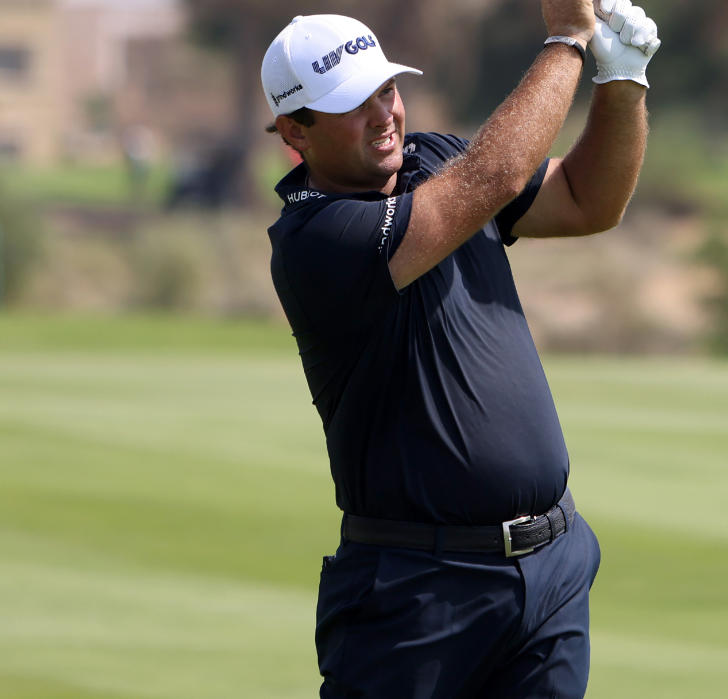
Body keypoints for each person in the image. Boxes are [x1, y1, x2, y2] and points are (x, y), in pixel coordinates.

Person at [259, 1, 659, 696]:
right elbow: (492, 180)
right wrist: (566, 40)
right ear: (296, 131)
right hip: (418, 593)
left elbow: (587, 199)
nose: (384, 112)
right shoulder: (315, 240)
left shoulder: (436, 159)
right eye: (354, 103)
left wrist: (621, 84)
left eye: (386, 88)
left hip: (551, 569)